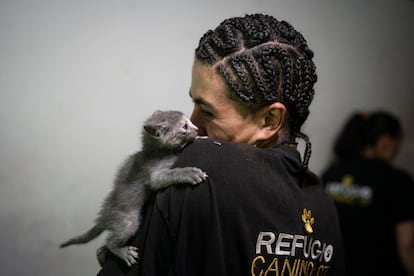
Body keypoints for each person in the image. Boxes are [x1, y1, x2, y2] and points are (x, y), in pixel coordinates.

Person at [97, 13, 345, 275]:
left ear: (269, 119)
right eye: (194, 103)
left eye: (208, 111)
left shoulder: (202, 163)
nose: (194, 124)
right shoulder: (323, 204)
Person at [321, 110, 414, 275]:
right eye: (397, 143)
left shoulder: (330, 174)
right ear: (386, 141)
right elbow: (407, 243)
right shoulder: (398, 181)